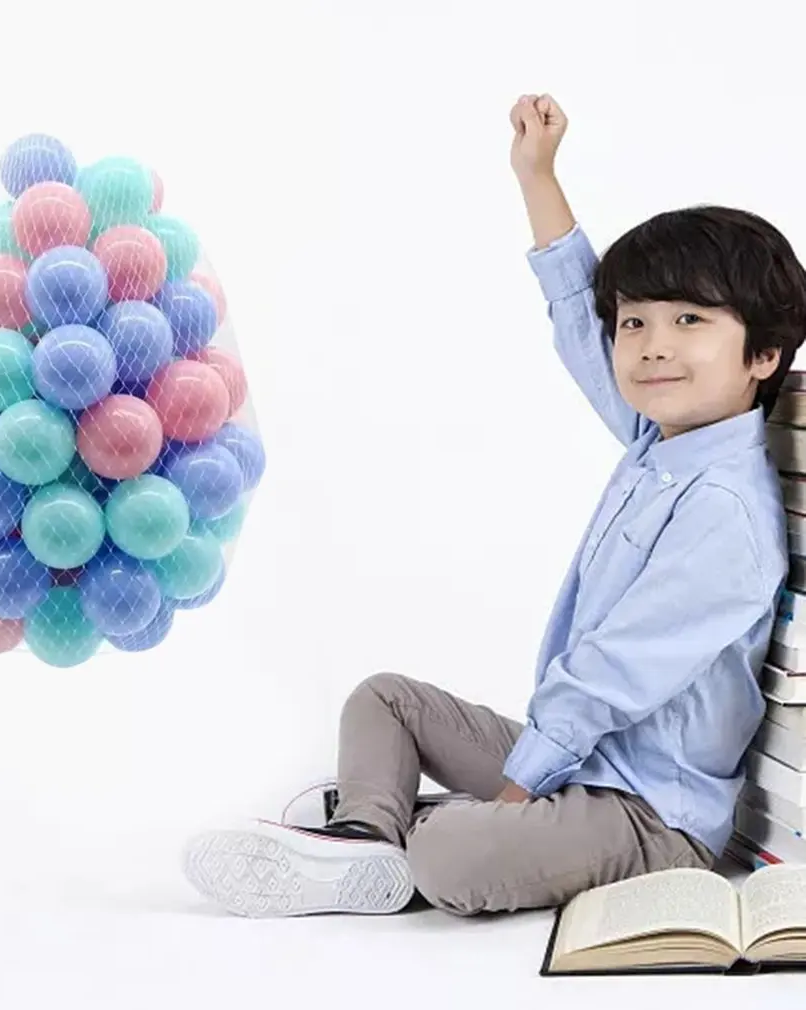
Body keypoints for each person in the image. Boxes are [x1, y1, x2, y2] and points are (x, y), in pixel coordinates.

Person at [180, 93, 806, 918]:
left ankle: (396, 829)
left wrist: (518, 787)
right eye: (637, 323)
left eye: (689, 320)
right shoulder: (663, 439)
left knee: (450, 855)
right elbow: (579, 322)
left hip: (651, 813)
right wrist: (537, 175)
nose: (652, 343)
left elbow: (616, 671)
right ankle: (365, 839)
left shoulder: (725, 506)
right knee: (384, 697)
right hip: (586, 764)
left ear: (763, 354)